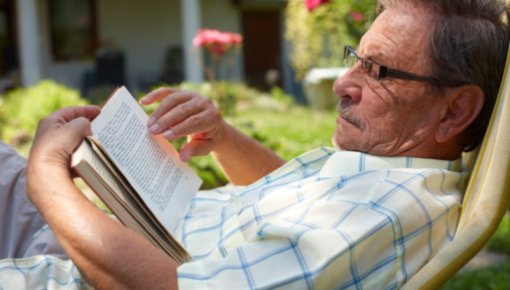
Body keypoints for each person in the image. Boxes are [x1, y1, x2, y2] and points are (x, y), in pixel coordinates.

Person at [1, 0, 509, 288]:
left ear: (455, 111)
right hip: (109, 237)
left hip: (63, 271)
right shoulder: (392, 169)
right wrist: (223, 137)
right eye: (357, 57)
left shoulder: (388, 211)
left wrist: (47, 179)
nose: (342, 84)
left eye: (377, 71)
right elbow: (290, 207)